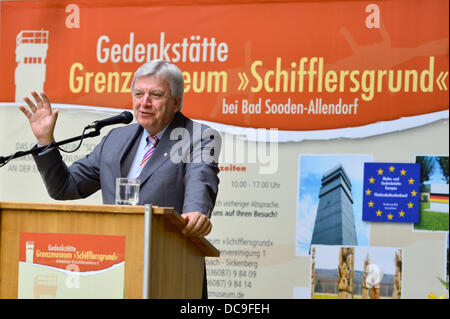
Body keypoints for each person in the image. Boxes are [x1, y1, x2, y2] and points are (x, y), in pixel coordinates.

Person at [19, 59, 221, 297]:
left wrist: (197, 212)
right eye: (138, 93)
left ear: (175, 102)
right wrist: (45, 141)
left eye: (155, 95)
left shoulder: (198, 136)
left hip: (169, 266)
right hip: (113, 268)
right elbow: (65, 187)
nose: (144, 102)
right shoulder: (115, 139)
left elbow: (201, 177)